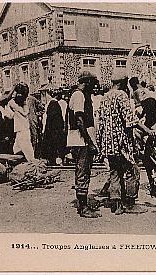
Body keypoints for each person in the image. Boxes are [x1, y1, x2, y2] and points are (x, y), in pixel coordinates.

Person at [96, 75, 141, 215]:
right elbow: (130, 119)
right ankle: (130, 203)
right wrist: (146, 130)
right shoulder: (121, 95)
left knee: (114, 172)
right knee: (133, 172)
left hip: (108, 143)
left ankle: (117, 205)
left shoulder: (104, 98)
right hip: (121, 142)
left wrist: (100, 143)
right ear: (123, 84)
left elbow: (100, 123)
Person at [67, 71, 100, 218]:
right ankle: (83, 207)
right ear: (86, 82)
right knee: (83, 171)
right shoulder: (79, 95)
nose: (94, 88)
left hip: (81, 139)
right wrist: (89, 141)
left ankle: (83, 203)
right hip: (80, 140)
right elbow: (79, 120)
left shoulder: (81, 95)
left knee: (84, 171)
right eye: (92, 84)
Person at [9, 83, 36, 161]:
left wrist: (13, 89)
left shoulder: (14, 105)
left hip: (21, 130)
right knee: (16, 148)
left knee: (27, 149)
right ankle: (24, 162)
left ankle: (32, 163)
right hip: (24, 129)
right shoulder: (25, 106)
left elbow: (9, 99)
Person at [42, 90, 65, 165]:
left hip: (51, 128)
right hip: (55, 129)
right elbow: (56, 119)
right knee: (55, 144)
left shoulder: (51, 104)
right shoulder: (54, 104)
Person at [26, 90, 45, 158]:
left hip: (32, 121)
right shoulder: (18, 99)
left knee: (33, 138)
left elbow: (42, 109)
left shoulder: (32, 99)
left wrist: (36, 115)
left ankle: (33, 156)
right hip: (23, 123)